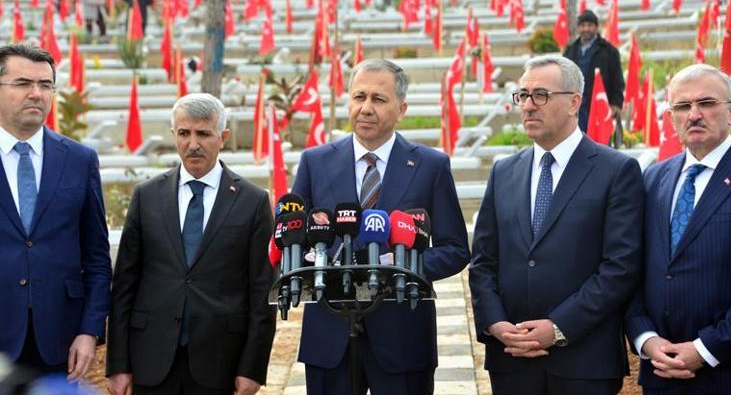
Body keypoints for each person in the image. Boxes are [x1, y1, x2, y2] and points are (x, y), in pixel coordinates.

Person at [292, 58, 471, 395]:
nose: (366, 108)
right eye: (359, 97)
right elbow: (295, 237)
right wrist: (319, 266)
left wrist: (398, 266)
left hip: (403, 333)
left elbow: (454, 249)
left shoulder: (430, 166)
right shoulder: (315, 162)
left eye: (379, 99)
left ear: (401, 109)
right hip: (330, 333)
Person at [469, 55, 643, 395]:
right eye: (523, 96)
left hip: (583, 362)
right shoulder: (504, 171)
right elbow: (483, 261)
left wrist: (559, 327)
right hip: (511, 360)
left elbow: (620, 268)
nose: (529, 106)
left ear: (574, 102)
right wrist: (496, 323)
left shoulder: (615, 171)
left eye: (541, 95)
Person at [106, 93, 276, 395]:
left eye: (203, 133)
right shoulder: (147, 197)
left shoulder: (253, 201)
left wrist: (252, 369)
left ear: (222, 137)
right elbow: (124, 286)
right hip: (151, 361)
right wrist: (118, 364)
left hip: (221, 363)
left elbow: (262, 292)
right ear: (174, 135)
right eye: (184, 133)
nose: (193, 143)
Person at [625, 64, 731, 395]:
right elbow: (633, 267)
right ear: (671, 117)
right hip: (660, 370)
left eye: (706, 103)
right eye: (682, 106)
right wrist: (645, 338)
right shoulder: (653, 179)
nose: (694, 115)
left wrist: (706, 349)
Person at [0, 43, 111, 379]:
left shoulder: (79, 160)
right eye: (23, 84)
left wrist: (89, 331)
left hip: (60, 342)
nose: (36, 94)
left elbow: (96, 257)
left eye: (45, 85)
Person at [563, 9, 624, 133]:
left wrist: (616, 104)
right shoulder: (570, 51)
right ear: (579, 28)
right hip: (575, 107)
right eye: (583, 25)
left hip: (599, 106)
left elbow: (618, 80)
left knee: (599, 143)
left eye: (589, 25)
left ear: (596, 28)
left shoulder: (609, 51)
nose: (586, 29)